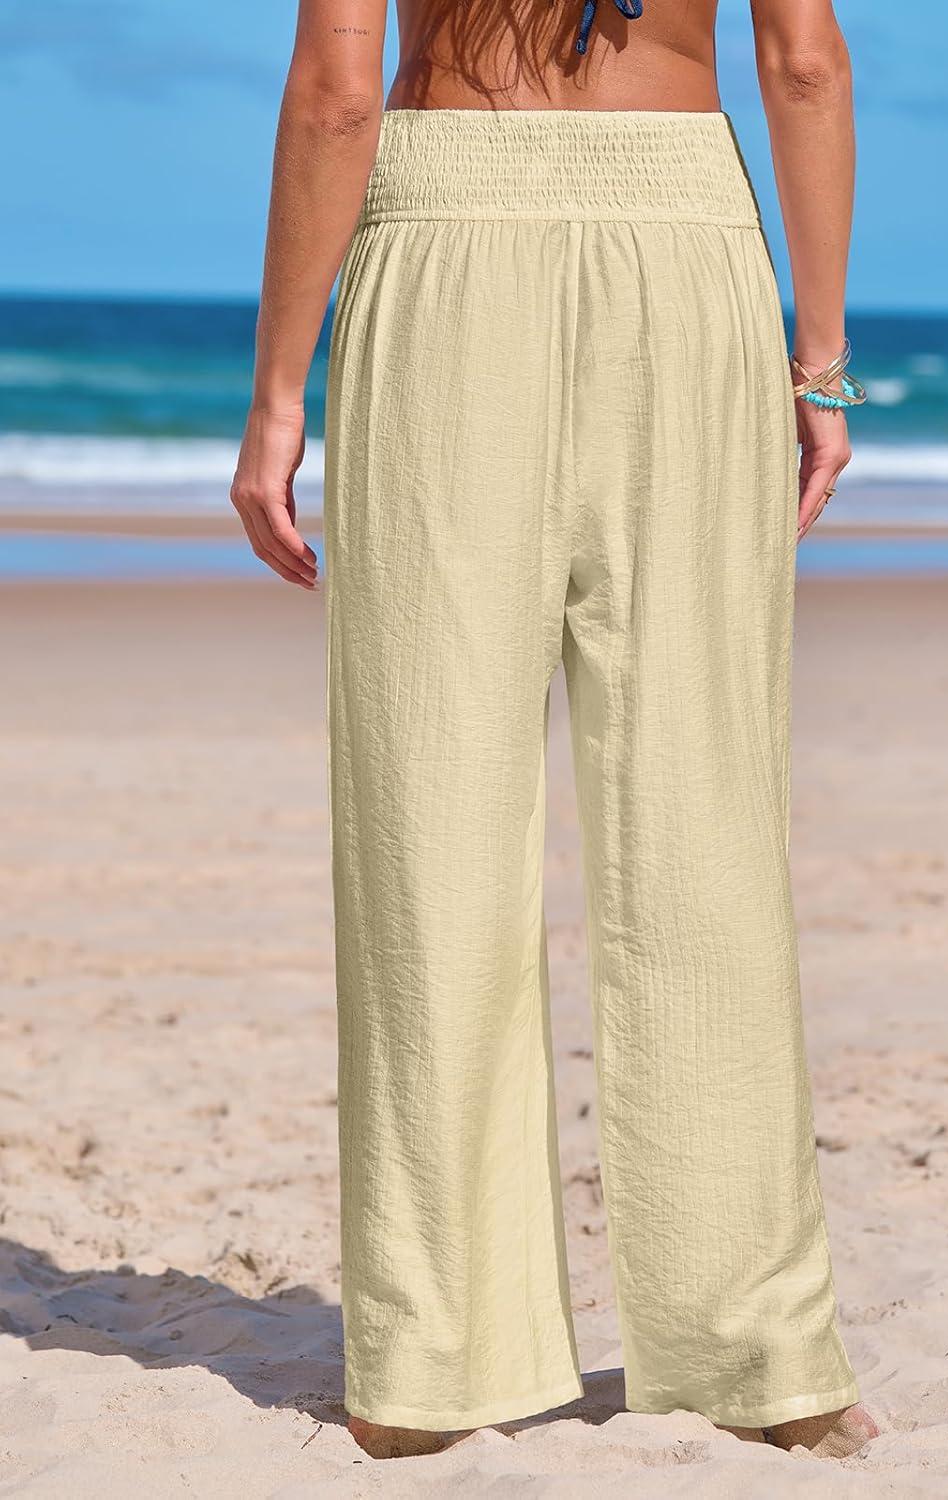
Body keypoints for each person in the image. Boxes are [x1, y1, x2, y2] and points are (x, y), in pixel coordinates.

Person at [231, 0, 879, 1464]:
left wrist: (278, 396)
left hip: (445, 242)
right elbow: (803, 62)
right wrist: (820, 364)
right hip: (687, 246)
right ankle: (765, 1364)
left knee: (432, 822)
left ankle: (431, 1365)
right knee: (703, 823)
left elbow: (336, 92)